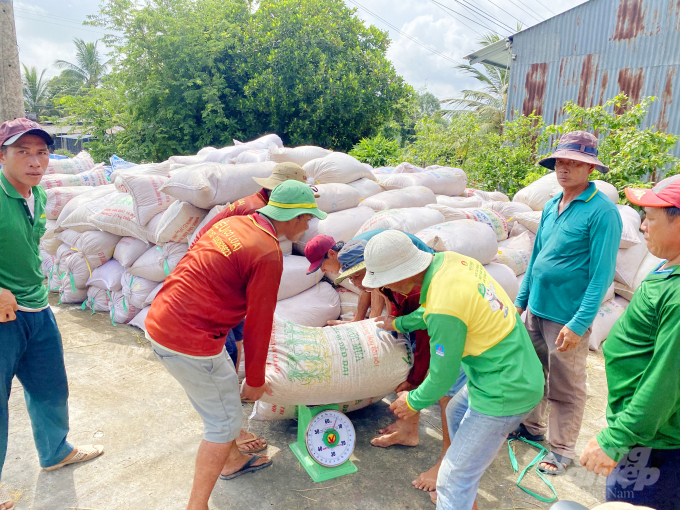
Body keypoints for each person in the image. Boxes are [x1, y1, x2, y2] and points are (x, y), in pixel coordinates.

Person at [145, 180, 325, 510]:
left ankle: (230, 460)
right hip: (190, 339)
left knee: (222, 394)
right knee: (224, 423)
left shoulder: (235, 222)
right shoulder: (269, 253)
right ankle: (196, 505)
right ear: (294, 216)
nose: (309, 225)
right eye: (307, 218)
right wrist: (255, 380)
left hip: (162, 318)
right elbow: (259, 322)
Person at [367, 230, 544, 510]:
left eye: (383, 282)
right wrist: (399, 324)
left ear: (400, 276)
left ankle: (458, 493)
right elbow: (434, 309)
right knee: (455, 411)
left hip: (505, 390)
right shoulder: (450, 263)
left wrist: (412, 401)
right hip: (509, 369)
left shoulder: (443, 307)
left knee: (451, 479)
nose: (384, 289)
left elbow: (442, 376)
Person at [0, 119, 104, 510]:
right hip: (3, 316)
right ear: (2, 155)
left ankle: (55, 451)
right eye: (22, 151)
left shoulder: (37, 196)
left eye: (41, 152)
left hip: (37, 307)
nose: (34, 160)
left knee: (50, 387)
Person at [513, 131, 623, 475]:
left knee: (565, 386)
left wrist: (578, 324)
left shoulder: (602, 212)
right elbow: (536, 259)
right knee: (533, 374)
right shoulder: (550, 205)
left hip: (567, 316)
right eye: (561, 161)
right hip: (537, 309)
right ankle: (531, 428)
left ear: (590, 169)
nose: (565, 168)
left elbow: (602, 275)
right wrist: (520, 302)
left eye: (575, 163)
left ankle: (561, 450)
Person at [334, 230, 467, 493]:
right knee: (413, 375)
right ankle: (409, 432)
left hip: (464, 348)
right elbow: (395, 305)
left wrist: (415, 382)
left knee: (446, 396)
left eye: (360, 276)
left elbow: (428, 343)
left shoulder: (424, 290)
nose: (359, 285)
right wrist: (396, 324)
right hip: (432, 330)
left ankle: (447, 465)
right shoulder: (390, 280)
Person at [190, 162, 307, 453]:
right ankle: (232, 427)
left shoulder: (257, 206)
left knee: (238, 342)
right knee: (226, 352)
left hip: (235, 281)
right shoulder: (252, 213)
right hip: (219, 285)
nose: (306, 225)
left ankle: (235, 394)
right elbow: (260, 317)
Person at [580, 175, 680, 510]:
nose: (643, 228)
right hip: (647, 435)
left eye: (650, 219)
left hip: (655, 445)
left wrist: (615, 439)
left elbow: (665, 381)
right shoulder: (668, 268)